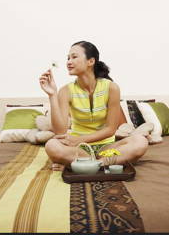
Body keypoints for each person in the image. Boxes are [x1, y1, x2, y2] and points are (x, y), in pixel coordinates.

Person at [39, 41, 148, 171]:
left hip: (107, 149)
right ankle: (103, 163)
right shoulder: (65, 91)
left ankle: (87, 164)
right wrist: (52, 95)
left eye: (74, 57)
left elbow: (111, 129)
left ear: (91, 61)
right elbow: (60, 131)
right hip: (79, 150)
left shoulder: (111, 88)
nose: (68, 61)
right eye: (68, 58)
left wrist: (78, 139)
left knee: (140, 142)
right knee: (51, 145)